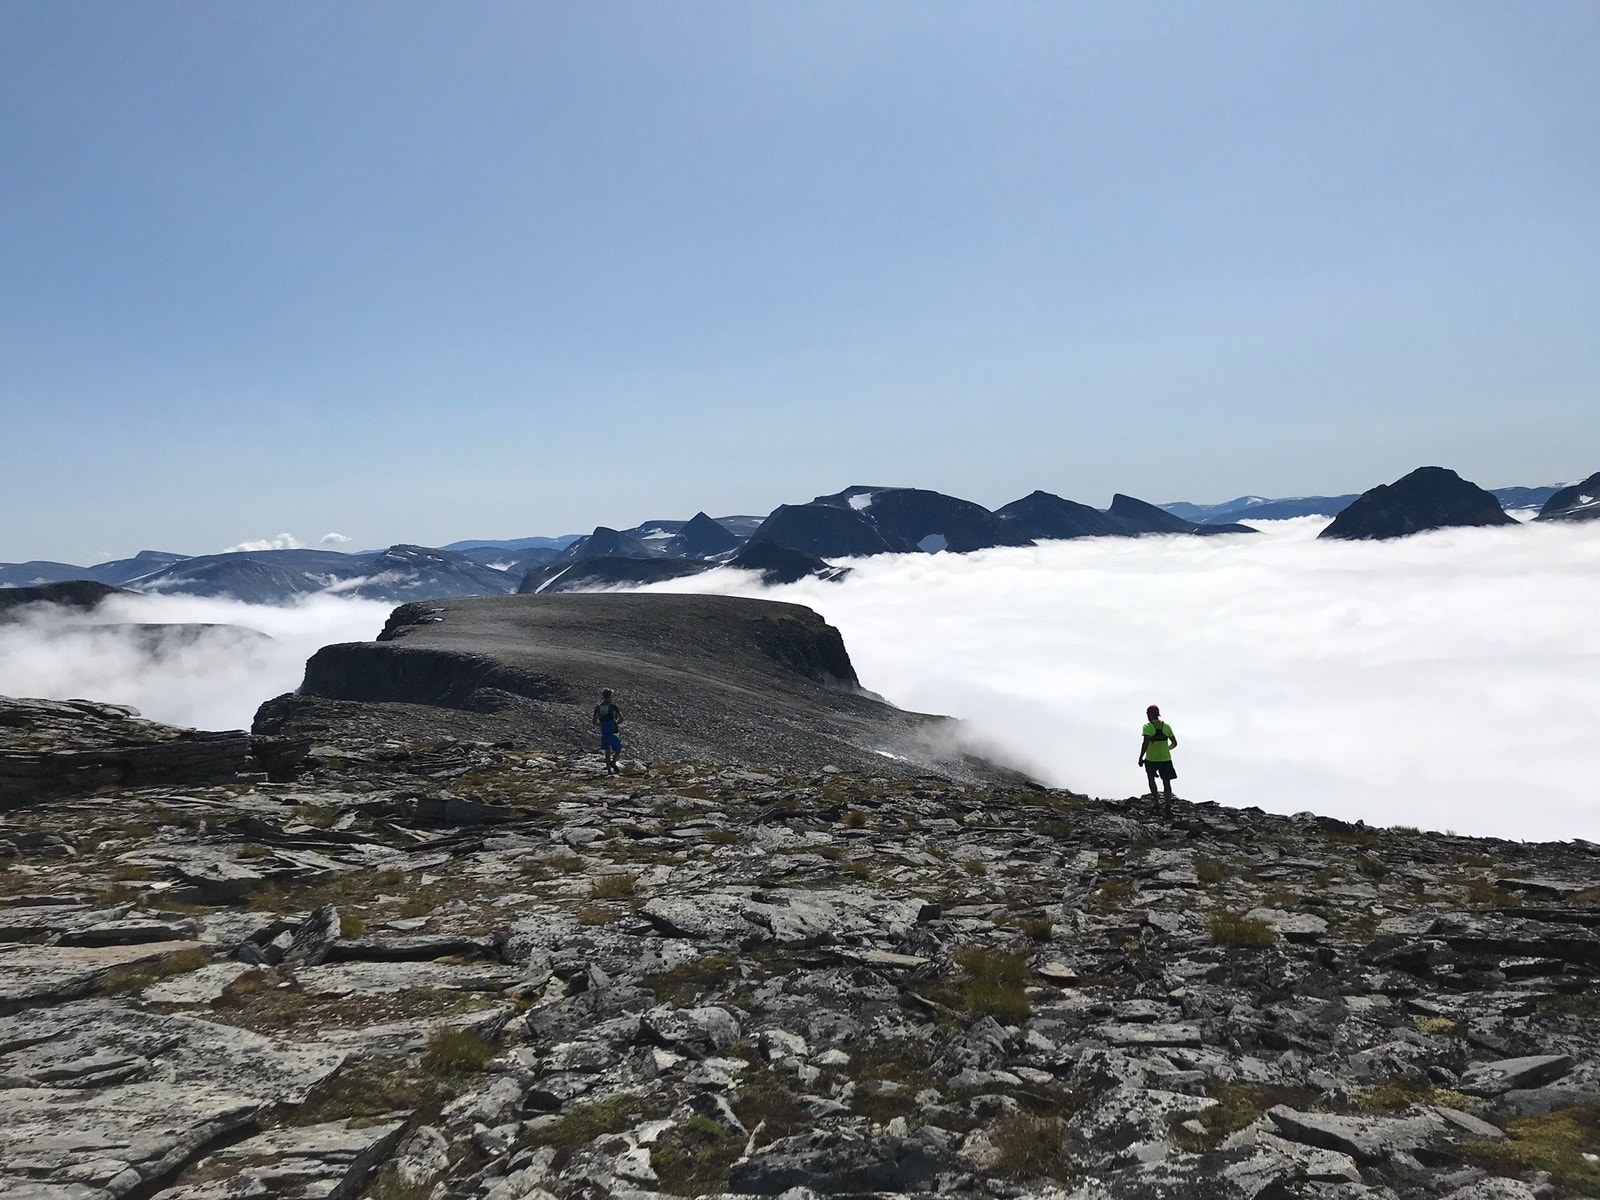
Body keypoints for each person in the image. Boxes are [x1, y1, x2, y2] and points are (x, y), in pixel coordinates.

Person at [1138, 704, 1178, 804]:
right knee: (1166, 782)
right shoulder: (1166, 726)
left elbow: (1145, 743)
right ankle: (1168, 805)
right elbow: (1174, 743)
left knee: (1151, 779)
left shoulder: (1147, 727)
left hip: (1151, 759)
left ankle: (1156, 803)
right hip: (1165, 759)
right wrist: (1167, 749)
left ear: (1150, 714)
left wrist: (1141, 757)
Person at [592, 689, 623, 774]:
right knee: (618, 750)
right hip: (614, 731)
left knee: (607, 752)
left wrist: (602, 725)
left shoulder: (599, 708)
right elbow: (621, 718)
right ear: (610, 696)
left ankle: (609, 771)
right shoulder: (613, 707)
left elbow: (594, 722)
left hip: (604, 732)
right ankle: (613, 763)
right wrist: (616, 723)